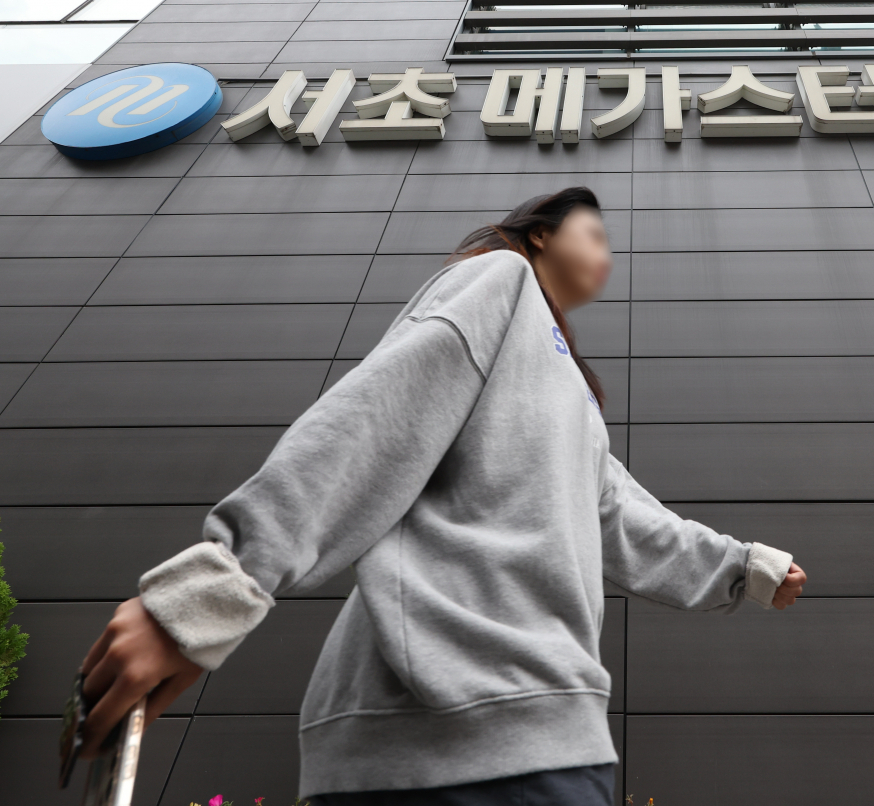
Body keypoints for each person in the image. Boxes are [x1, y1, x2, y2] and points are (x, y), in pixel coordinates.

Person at [73, 186, 807, 805]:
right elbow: (376, 416)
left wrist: (744, 567)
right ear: (541, 235)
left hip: (551, 730)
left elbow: (623, 517)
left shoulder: (568, 393)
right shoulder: (500, 281)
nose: (609, 253)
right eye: (594, 232)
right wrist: (215, 588)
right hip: (441, 726)